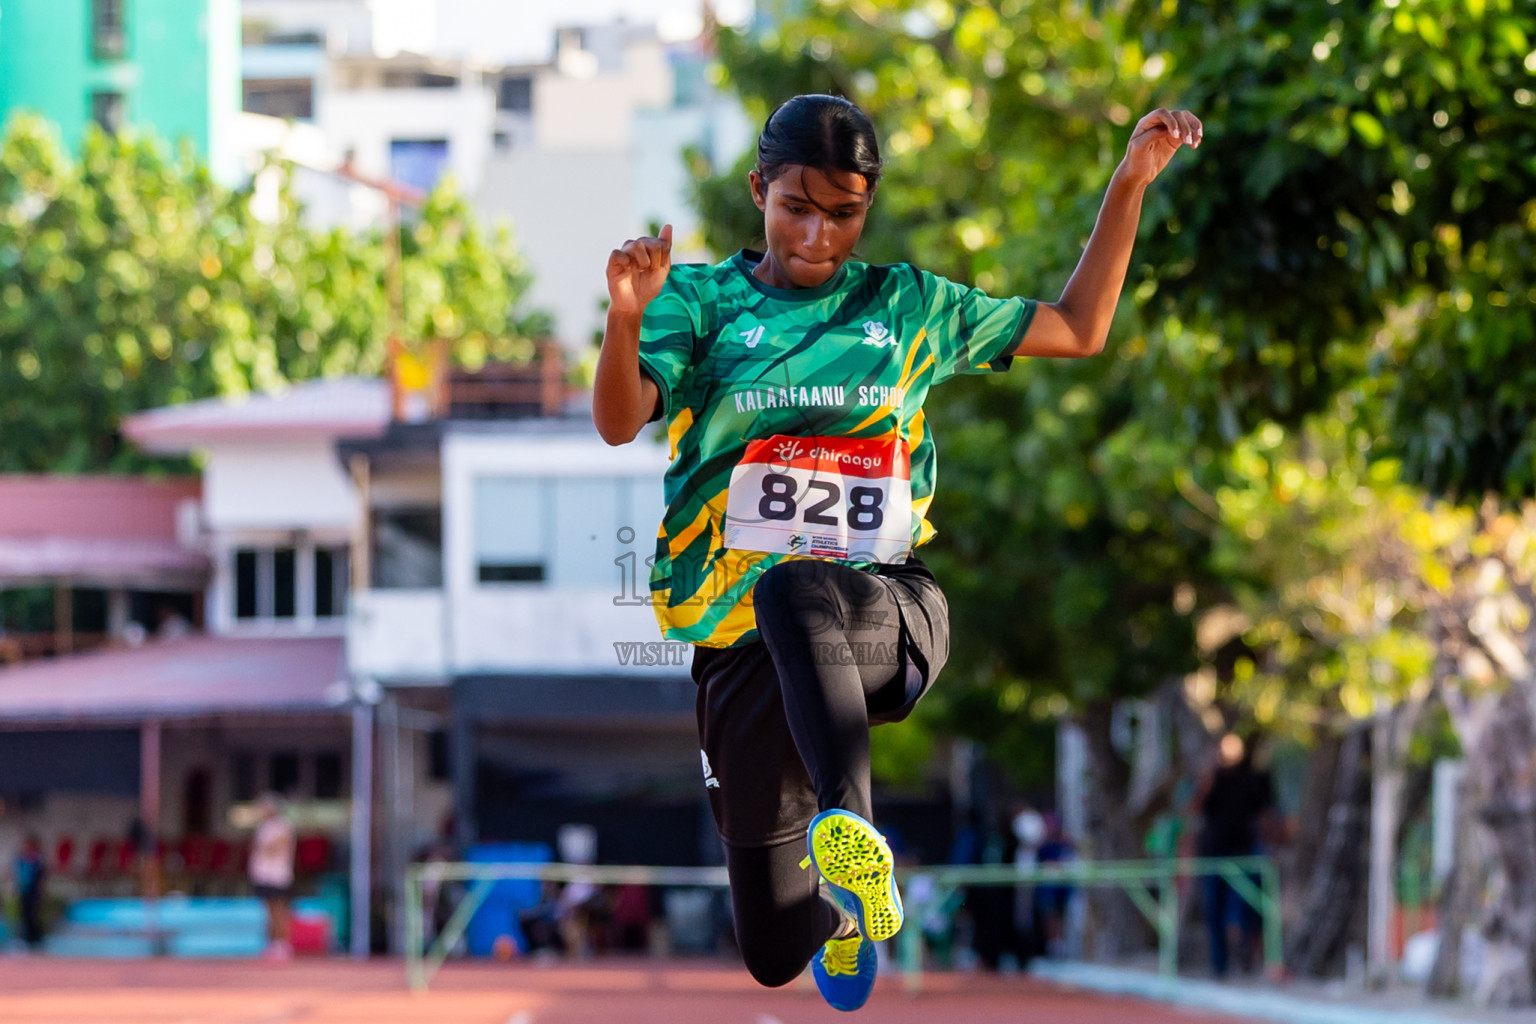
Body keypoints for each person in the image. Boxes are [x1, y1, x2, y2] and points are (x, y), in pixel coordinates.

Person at [594, 93, 1201, 1011]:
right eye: (797, 206)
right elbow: (616, 421)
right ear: (759, 190)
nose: (817, 234)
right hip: (738, 650)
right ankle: (844, 911)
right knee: (768, 952)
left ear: (867, 207)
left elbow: (1079, 329)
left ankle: (850, 829)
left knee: (797, 586)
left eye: (844, 213)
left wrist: (1128, 182)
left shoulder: (907, 306)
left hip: (883, 612)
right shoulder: (704, 306)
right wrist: (626, 319)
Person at [1193, 732, 1275, 977]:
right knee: (1215, 911)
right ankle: (1219, 965)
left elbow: (1264, 815)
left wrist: (1273, 843)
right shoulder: (1212, 779)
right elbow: (1195, 808)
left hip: (1243, 854)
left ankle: (1247, 959)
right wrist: (1206, 780)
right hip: (1214, 856)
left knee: (1247, 910)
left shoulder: (1252, 779)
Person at [248, 792, 297, 961]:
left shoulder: (283, 826)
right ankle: (271, 943)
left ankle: (282, 943)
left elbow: (275, 847)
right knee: (268, 910)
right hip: (263, 873)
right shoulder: (263, 827)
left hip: (278, 874)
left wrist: (266, 848)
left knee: (279, 909)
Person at [14, 833, 47, 950]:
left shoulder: (37, 859)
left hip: (33, 891)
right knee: (24, 915)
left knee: (33, 915)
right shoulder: (21, 858)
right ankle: (26, 940)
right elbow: (17, 874)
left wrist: (40, 891)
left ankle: (37, 940)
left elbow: (41, 877)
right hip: (23, 890)